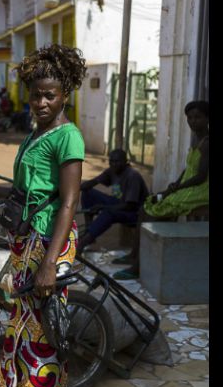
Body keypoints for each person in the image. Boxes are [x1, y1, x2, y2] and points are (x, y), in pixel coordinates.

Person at [0, 44, 87, 387]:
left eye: (49, 95)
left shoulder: (67, 137)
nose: (40, 102)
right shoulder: (36, 133)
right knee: (24, 331)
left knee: (40, 337)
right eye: (36, 94)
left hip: (48, 243)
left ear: (65, 95)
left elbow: (68, 203)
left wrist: (50, 265)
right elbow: (33, 190)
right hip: (29, 239)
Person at [113, 100, 209, 279]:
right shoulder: (197, 139)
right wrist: (174, 184)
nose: (193, 121)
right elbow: (188, 169)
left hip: (201, 190)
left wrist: (177, 188)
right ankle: (135, 255)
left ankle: (138, 268)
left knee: (153, 214)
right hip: (189, 185)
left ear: (207, 118)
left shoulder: (207, 143)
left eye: (198, 117)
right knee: (145, 207)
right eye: (190, 118)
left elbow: (201, 176)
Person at [77, 149, 149, 252]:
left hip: (134, 213)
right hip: (120, 204)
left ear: (125, 161)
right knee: (88, 193)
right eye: (111, 161)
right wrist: (75, 189)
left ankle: (82, 243)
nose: (114, 164)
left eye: (117, 161)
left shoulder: (132, 176)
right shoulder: (112, 171)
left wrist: (102, 207)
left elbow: (130, 206)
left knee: (108, 213)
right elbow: (94, 182)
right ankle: (89, 230)